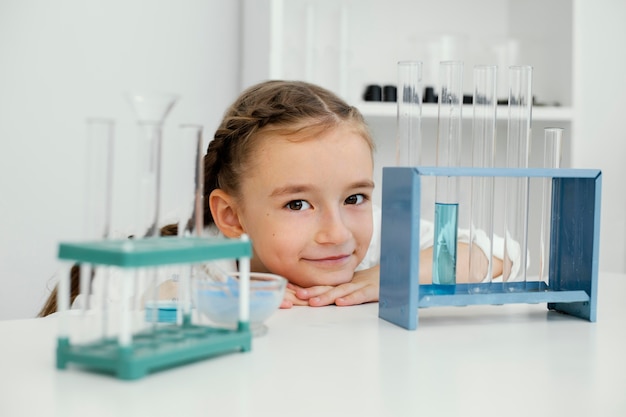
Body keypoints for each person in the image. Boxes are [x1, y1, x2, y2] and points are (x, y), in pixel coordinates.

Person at [38, 80, 503, 316]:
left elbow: (494, 254)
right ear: (231, 215)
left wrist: (392, 274)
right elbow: (84, 330)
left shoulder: (372, 246)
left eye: (356, 197)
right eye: (297, 204)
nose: (337, 231)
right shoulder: (175, 265)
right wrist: (192, 298)